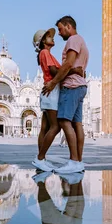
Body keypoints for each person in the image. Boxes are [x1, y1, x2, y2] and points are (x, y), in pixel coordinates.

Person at [32, 27, 84, 172]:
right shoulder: (45, 52)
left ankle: (41, 160)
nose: (52, 37)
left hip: (49, 91)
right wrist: (74, 70)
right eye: (48, 36)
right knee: (56, 126)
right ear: (42, 42)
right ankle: (40, 158)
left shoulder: (46, 53)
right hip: (52, 92)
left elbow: (56, 70)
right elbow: (55, 71)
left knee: (45, 128)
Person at [42, 16, 89, 174]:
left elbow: (68, 63)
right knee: (77, 124)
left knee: (63, 121)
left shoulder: (73, 40)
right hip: (80, 86)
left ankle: (74, 161)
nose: (60, 34)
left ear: (69, 26)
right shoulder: (81, 41)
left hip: (71, 86)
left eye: (61, 29)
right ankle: (78, 162)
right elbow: (75, 66)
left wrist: (54, 82)